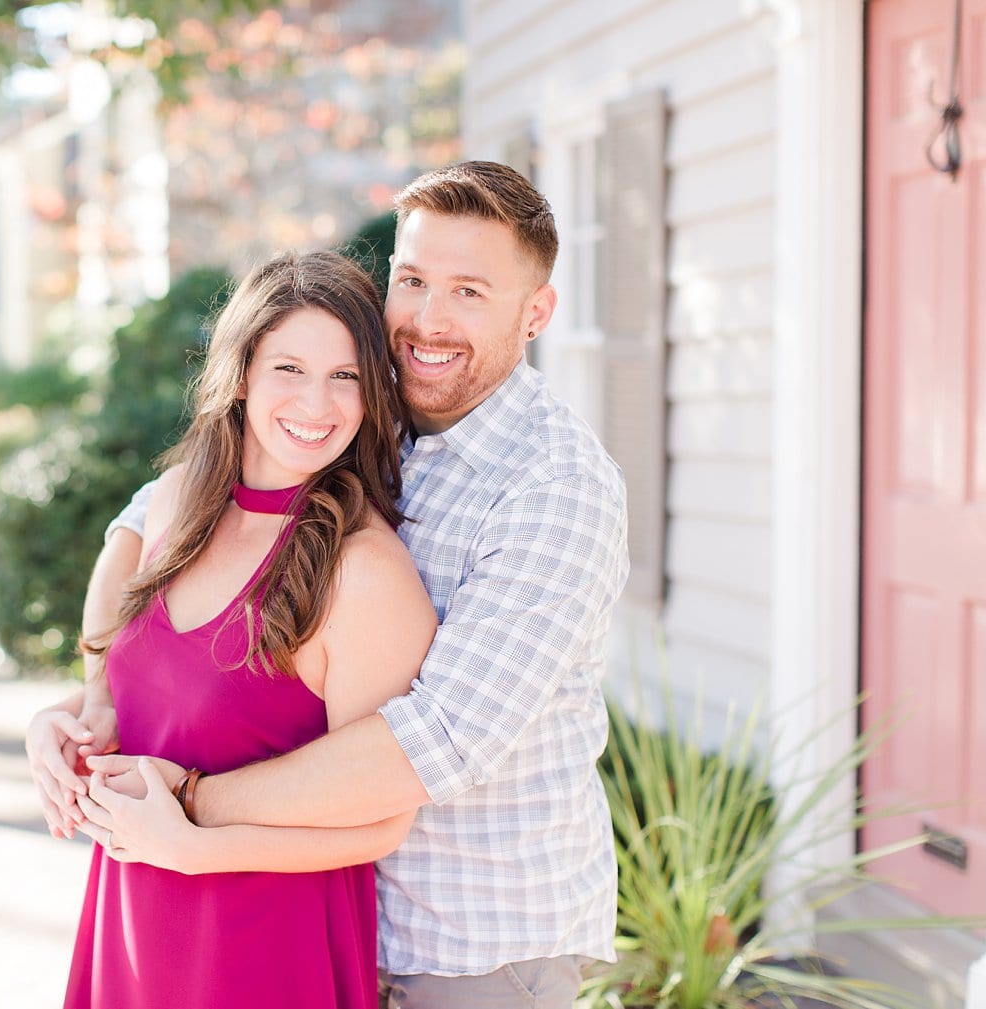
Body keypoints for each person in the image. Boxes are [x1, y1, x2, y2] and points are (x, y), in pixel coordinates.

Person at [31, 160, 630, 1008]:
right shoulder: (367, 401)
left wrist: (192, 802)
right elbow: (142, 520)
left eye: (469, 290)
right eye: (414, 280)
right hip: (324, 911)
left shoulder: (555, 488)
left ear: (535, 312)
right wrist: (96, 698)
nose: (429, 317)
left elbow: (437, 741)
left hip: (470, 944)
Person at [49, 249, 438, 1009]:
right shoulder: (173, 504)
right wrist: (67, 720)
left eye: (346, 376)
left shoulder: (362, 571)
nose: (316, 402)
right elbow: (131, 687)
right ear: (242, 373)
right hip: (130, 924)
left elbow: (384, 819)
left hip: (264, 952)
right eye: (289, 368)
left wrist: (196, 850)